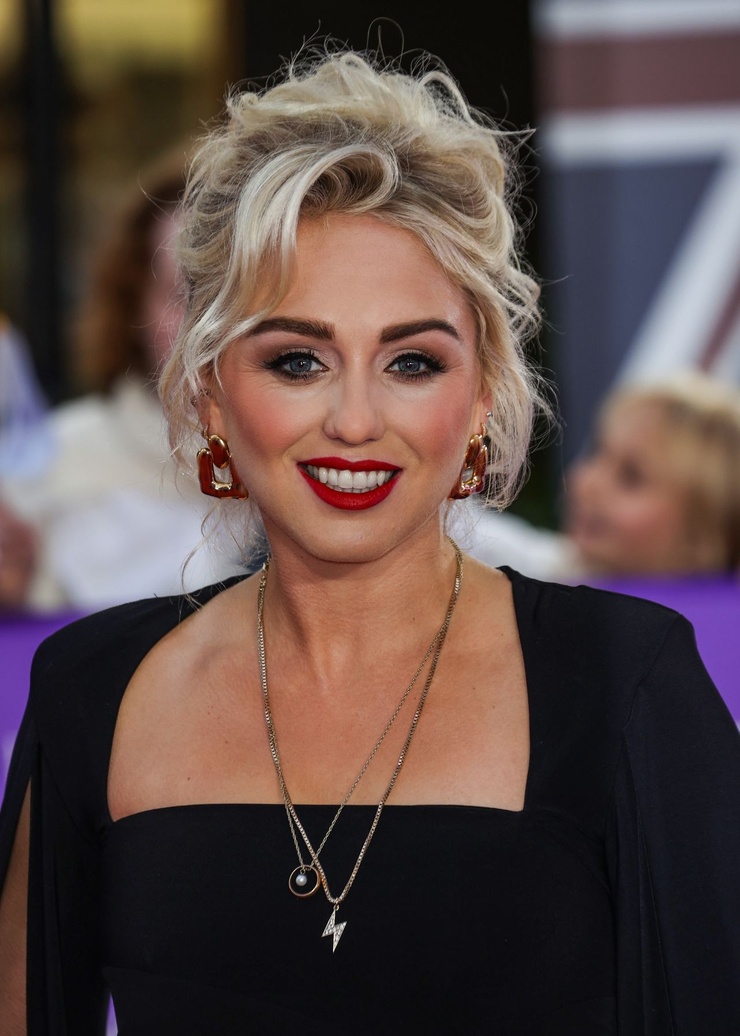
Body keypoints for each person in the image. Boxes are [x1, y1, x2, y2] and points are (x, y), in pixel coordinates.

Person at [0, 41, 738, 1035]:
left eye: (411, 361)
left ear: (481, 395)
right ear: (211, 395)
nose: (354, 420)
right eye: (297, 360)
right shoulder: (92, 692)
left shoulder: (626, 684)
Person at [0, 149, 246, 612]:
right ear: (133, 303)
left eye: (237, 298)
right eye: (185, 295)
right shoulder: (47, 466)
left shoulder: (322, 458)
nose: (208, 327)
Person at [462, 369, 740, 582]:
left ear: (701, 540)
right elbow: (464, 536)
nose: (587, 482)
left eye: (631, 477)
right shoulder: (534, 573)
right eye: (596, 451)